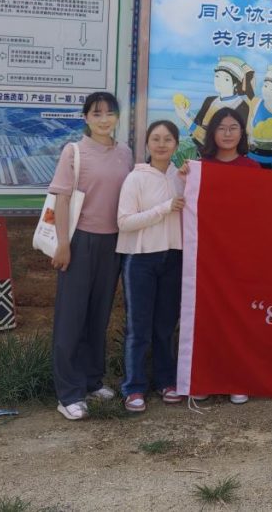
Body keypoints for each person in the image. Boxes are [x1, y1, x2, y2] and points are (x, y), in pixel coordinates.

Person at [49, 91, 134, 421]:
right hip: (79, 240)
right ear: (85, 118)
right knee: (71, 317)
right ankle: (68, 393)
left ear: (117, 118)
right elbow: (61, 199)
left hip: (113, 243)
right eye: (96, 113)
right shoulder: (74, 151)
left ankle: (91, 380)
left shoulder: (124, 153)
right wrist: (63, 244)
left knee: (99, 314)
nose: (103, 119)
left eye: (109, 113)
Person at [182, 106, 257, 404]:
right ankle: (205, 379)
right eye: (221, 128)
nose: (227, 133)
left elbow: (259, 211)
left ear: (242, 133)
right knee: (207, 317)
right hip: (207, 257)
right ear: (212, 133)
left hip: (241, 256)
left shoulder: (252, 168)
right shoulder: (199, 168)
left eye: (233, 128)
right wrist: (183, 177)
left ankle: (237, 379)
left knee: (239, 317)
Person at [116, 120, 186, 413]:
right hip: (140, 259)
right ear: (147, 144)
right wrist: (164, 208)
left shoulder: (183, 177)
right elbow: (124, 222)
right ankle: (133, 387)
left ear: (176, 145)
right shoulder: (136, 178)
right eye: (155, 139)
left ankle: (166, 381)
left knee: (166, 326)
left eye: (167, 139)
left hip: (174, 258)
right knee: (138, 327)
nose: (161, 144)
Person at [179, 56, 254, 149]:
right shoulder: (209, 100)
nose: (219, 81)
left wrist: (184, 118)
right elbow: (194, 129)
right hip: (202, 154)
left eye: (226, 79)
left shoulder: (242, 106)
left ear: (235, 84)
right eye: (217, 76)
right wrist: (187, 114)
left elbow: (223, 141)